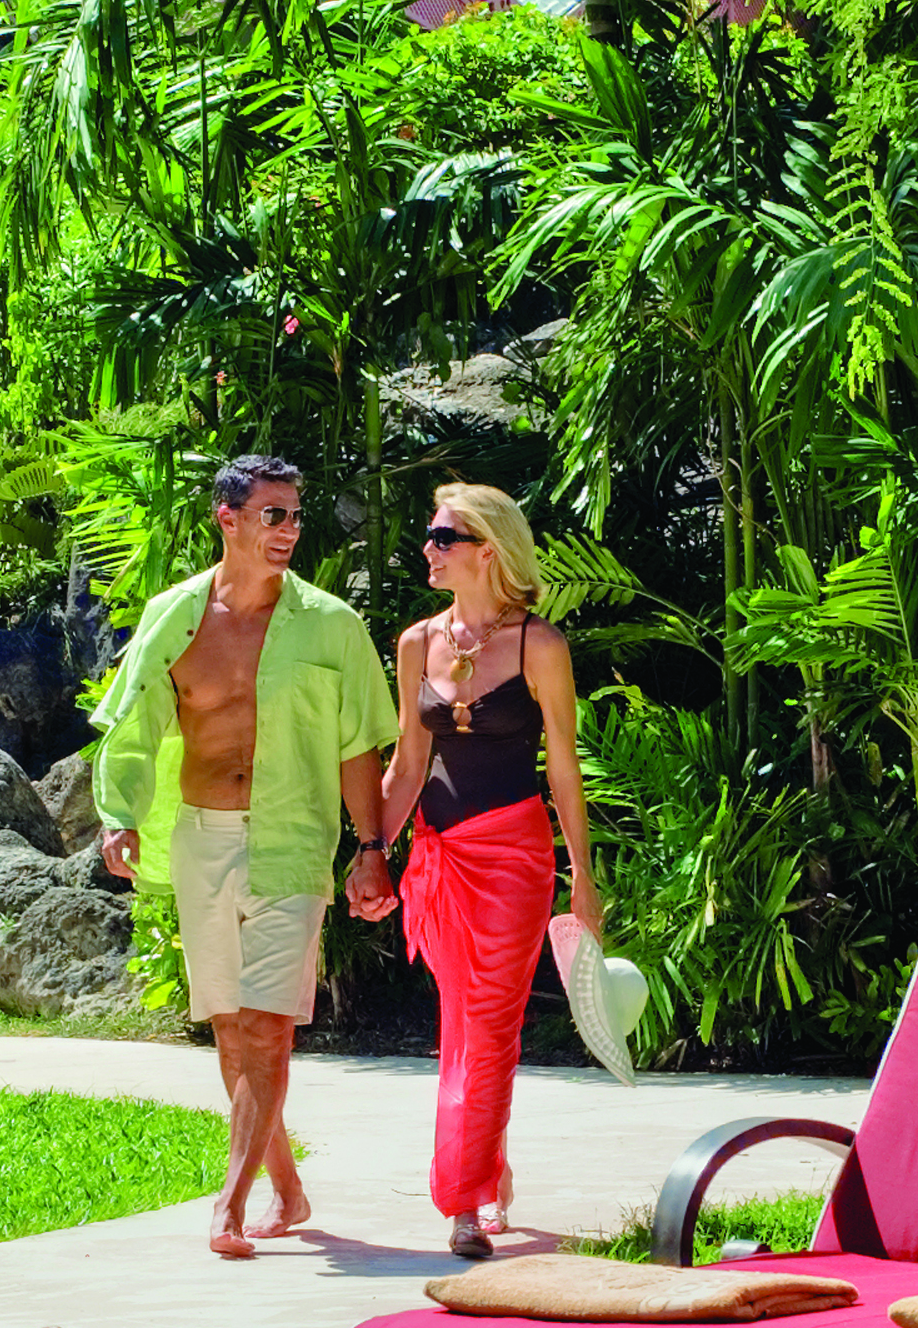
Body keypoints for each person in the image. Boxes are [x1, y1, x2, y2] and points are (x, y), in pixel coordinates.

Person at [89, 453, 400, 1258]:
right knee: (231, 1029)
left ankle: (229, 1202)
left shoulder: (331, 625)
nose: (289, 530)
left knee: (267, 1026)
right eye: (274, 515)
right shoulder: (174, 615)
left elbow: (359, 747)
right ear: (227, 520)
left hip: (293, 839)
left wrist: (371, 849)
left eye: (296, 516)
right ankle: (288, 1190)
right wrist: (119, 814)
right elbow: (136, 725)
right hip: (201, 838)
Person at [370, 483, 601, 1259]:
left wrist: (584, 877)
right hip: (437, 857)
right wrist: (371, 852)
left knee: (491, 1027)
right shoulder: (414, 643)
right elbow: (407, 765)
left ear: (487, 550)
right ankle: (488, 1166)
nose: (429, 548)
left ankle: (465, 1202)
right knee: (461, 1025)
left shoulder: (541, 643)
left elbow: (564, 770)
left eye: (443, 536)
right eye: (431, 536)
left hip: (513, 855)